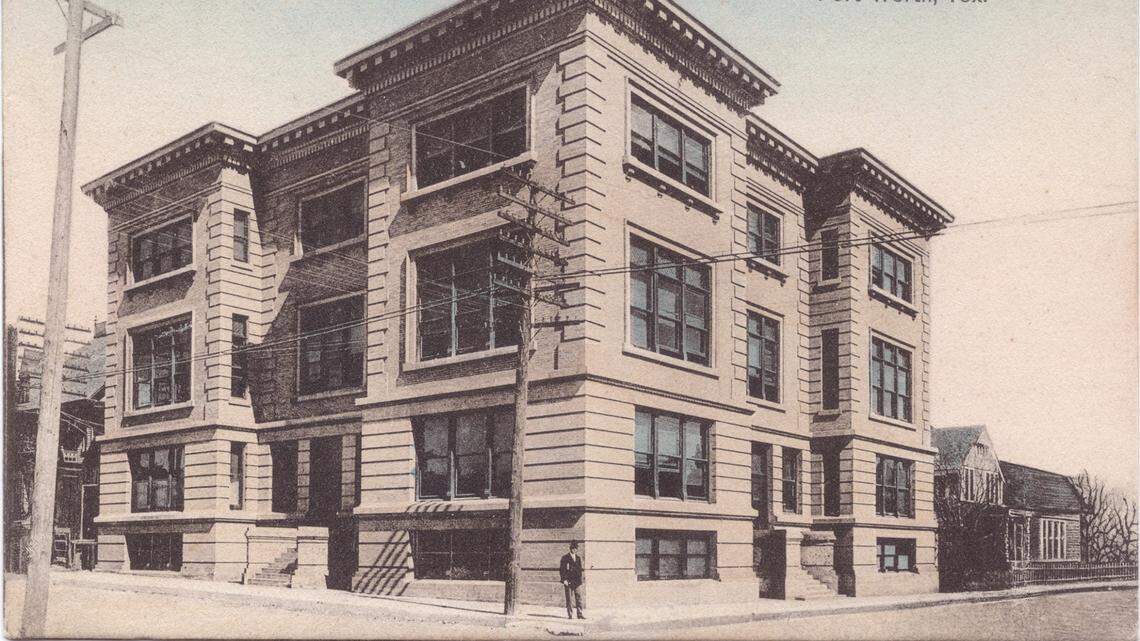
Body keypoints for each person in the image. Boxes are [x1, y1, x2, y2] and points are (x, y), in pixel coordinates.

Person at [559, 541, 585, 620]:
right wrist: (564, 580)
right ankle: (570, 614)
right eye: (573, 548)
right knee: (569, 599)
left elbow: (580, 570)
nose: (574, 550)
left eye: (576, 548)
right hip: (568, 581)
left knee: (579, 597)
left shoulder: (578, 558)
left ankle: (579, 614)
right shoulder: (565, 558)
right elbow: (562, 570)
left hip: (576, 581)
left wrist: (580, 579)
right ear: (571, 548)